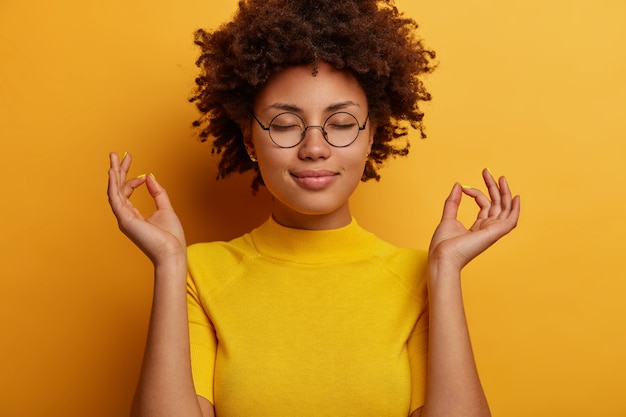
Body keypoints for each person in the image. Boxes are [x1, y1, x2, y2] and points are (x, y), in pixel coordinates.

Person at [107, 0, 520, 416]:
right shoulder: (199, 273)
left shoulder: (419, 278)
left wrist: (445, 271)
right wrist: (168, 263)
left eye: (341, 124)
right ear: (250, 141)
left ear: (371, 136)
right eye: (285, 125)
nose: (315, 148)